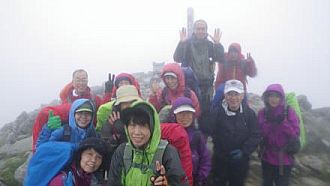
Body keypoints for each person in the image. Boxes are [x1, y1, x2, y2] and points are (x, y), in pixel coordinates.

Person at [108, 101, 189, 186]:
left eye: (143, 125)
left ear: (152, 127)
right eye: (132, 125)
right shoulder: (122, 152)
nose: (136, 132)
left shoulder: (167, 153)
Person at [208, 80, 261, 186]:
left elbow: (255, 135)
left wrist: (244, 151)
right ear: (225, 95)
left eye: (236, 94)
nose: (233, 98)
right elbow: (211, 132)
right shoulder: (216, 113)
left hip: (240, 161)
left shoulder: (249, 114)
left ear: (242, 96)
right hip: (220, 160)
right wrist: (219, 149)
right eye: (229, 94)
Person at [173, 19, 225, 117]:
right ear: (194, 30)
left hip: (207, 87)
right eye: (198, 29)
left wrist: (218, 45)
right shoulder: (187, 44)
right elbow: (177, 58)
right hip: (190, 86)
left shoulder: (210, 46)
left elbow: (221, 59)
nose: (200, 31)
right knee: (190, 112)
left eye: (203, 29)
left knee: (205, 114)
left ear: (206, 30)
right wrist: (181, 43)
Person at [258, 84, 300, 186]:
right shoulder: (263, 113)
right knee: (266, 183)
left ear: (281, 98)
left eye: (277, 96)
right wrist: (270, 122)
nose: (274, 99)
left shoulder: (288, 112)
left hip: (284, 160)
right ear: (266, 97)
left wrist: (283, 123)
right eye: (271, 96)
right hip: (267, 157)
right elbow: (260, 133)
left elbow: (295, 134)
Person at [172, 97, 211, 186]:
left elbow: (205, 159)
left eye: (188, 113)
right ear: (174, 115)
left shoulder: (197, 136)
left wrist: (201, 177)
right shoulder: (168, 136)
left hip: (195, 180)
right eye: (181, 113)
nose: (185, 117)